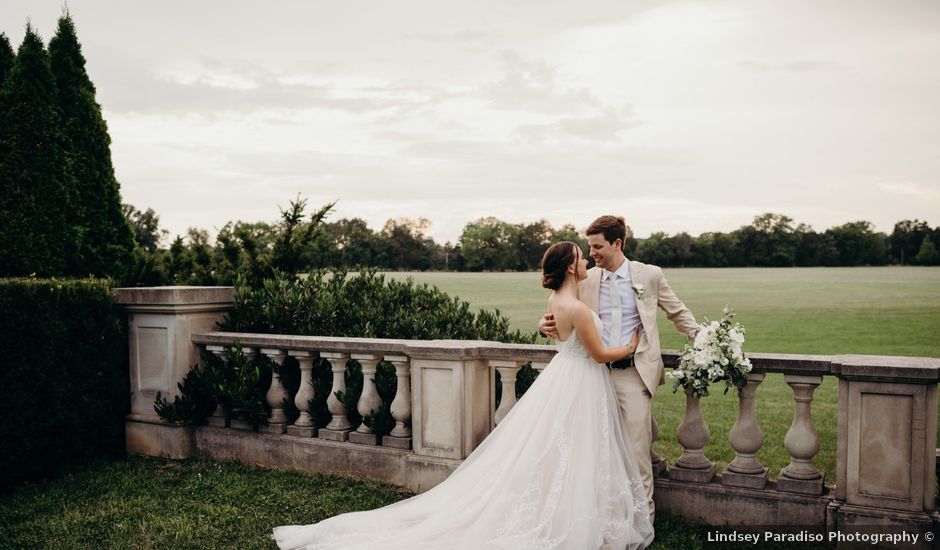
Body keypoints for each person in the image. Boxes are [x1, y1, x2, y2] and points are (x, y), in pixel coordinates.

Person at [273, 241, 654, 550]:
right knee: (576, 451)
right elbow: (601, 355)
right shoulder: (578, 309)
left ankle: (561, 509)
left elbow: (558, 331)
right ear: (571, 267)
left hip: (565, 379)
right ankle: (570, 516)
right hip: (583, 381)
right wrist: (632, 345)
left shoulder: (556, 302)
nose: (587, 259)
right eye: (580, 256)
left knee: (558, 452)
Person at [539, 215, 698, 523]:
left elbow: (676, 310)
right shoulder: (586, 279)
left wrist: (703, 338)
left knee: (637, 453)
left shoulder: (649, 275)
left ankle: (642, 523)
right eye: (589, 247)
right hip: (592, 376)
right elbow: (561, 307)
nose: (592, 253)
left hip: (633, 375)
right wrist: (542, 324)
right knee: (595, 450)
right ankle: (601, 518)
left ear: (617, 243)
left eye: (597, 246)